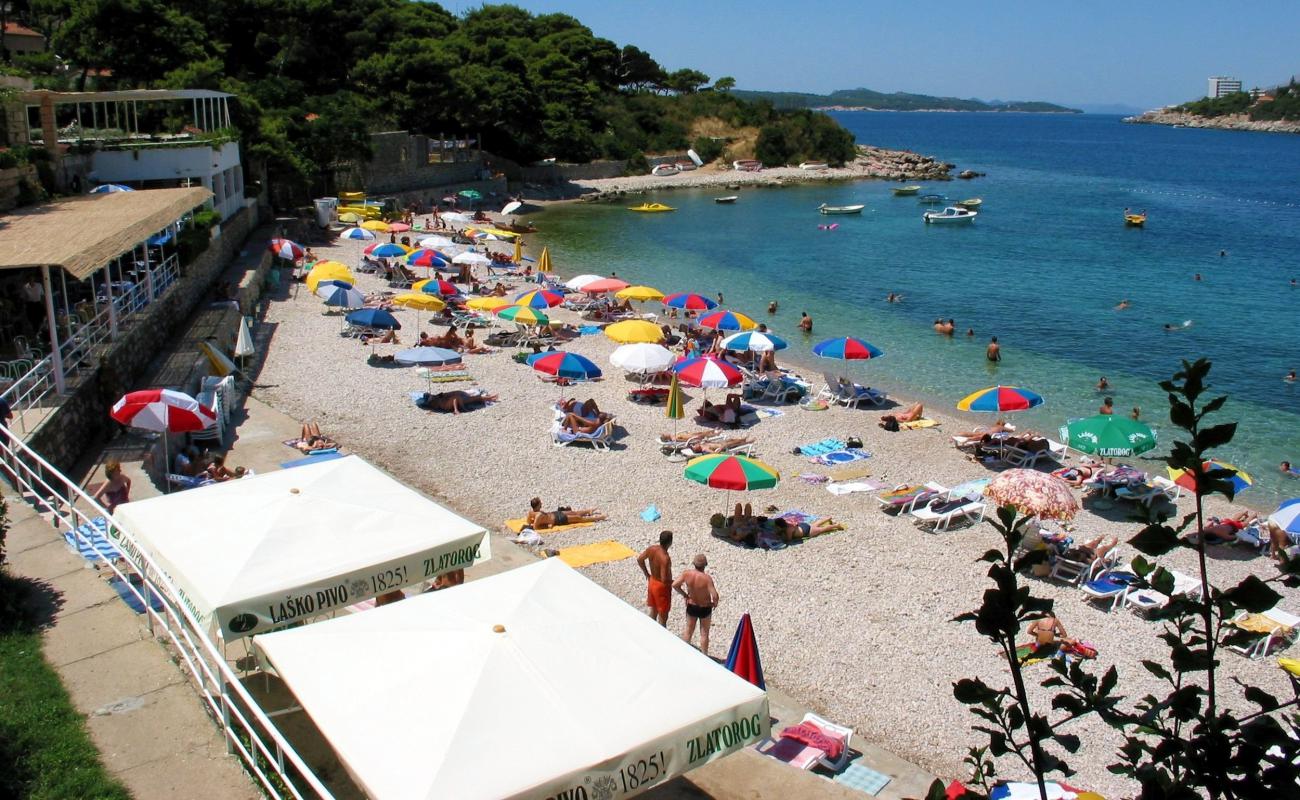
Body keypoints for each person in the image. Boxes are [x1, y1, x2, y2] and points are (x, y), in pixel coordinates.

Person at [673, 554, 720, 655]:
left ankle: (684, 653)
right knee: (704, 633)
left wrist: (685, 595)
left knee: (689, 630)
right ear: (705, 565)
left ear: (694, 564)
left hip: (692, 605)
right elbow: (715, 595)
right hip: (705, 607)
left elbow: (675, 585)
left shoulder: (687, 574)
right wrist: (714, 604)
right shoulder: (707, 579)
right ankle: (704, 656)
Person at [637, 531, 674, 626]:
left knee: (653, 611)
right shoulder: (665, 558)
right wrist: (673, 582)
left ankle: (650, 631)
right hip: (661, 587)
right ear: (670, 542)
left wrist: (647, 574)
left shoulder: (652, 549)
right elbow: (664, 579)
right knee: (663, 617)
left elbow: (640, 559)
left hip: (652, 581)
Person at [527, 497, 606, 529]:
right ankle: (599, 518)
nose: (542, 504)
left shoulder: (531, 513)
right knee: (578, 518)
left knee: (573, 512)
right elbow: (535, 527)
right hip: (558, 519)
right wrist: (547, 526)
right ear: (537, 506)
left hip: (554, 514)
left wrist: (537, 522)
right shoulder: (539, 515)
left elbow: (529, 522)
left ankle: (589, 511)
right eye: (540, 503)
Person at [1193, 511, 1258, 544]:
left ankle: (1254, 515)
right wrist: (1211, 521)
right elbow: (1211, 522)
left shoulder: (1220, 534)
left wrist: (1235, 536)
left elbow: (1231, 537)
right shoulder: (1206, 529)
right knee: (1233, 519)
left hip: (1232, 527)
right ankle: (1244, 512)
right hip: (1224, 522)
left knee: (1244, 524)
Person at [773, 517, 844, 543]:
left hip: (806, 532)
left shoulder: (788, 530)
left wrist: (782, 538)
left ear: (781, 527)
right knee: (816, 524)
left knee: (822, 529)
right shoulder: (788, 524)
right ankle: (828, 518)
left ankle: (836, 525)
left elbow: (789, 540)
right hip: (803, 525)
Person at [424, 390, 497, 414]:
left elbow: (453, 399)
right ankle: (490, 398)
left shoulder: (439, 402)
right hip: (460, 401)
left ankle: (490, 398)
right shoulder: (443, 404)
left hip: (459, 399)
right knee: (473, 399)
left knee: (473, 399)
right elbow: (454, 400)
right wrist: (456, 410)